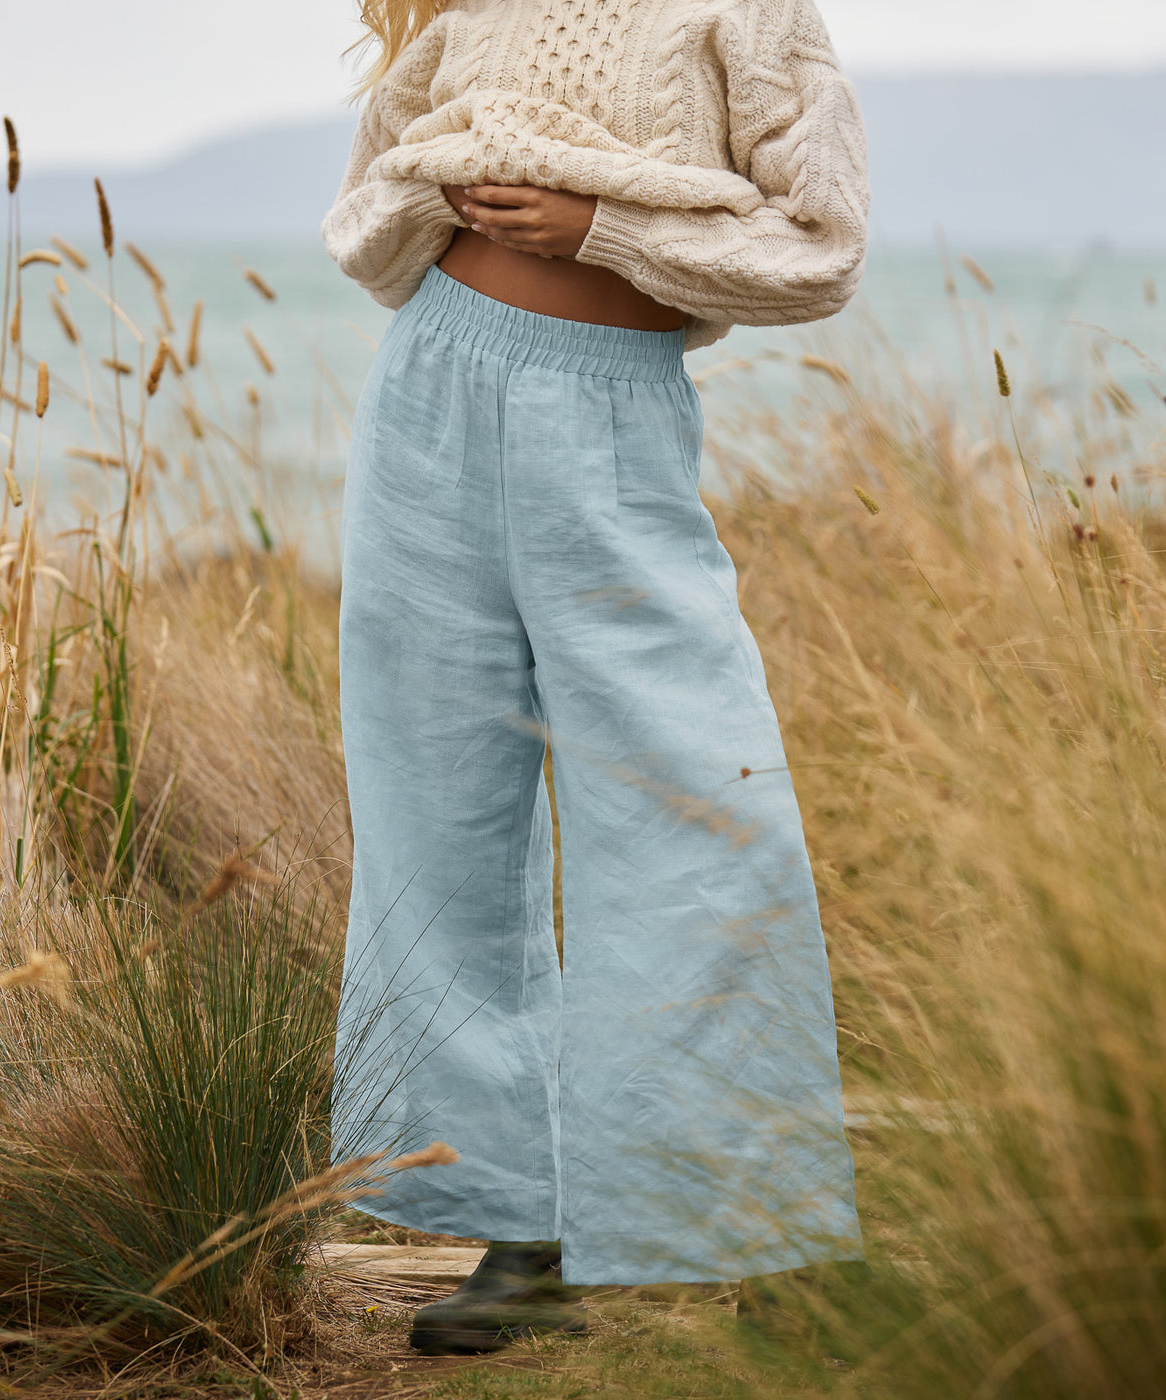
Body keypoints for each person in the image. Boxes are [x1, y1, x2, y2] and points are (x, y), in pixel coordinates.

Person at [320, 0, 871, 1358]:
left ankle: (752, 1214)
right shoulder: (469, 12)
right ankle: (521, 1227)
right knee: (434, 806)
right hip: (431, 394)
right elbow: (368, 236)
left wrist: (602, 233)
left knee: (701, 801)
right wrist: (438, 192)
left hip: (610, 414)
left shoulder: (748, 12)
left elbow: (822, 252)